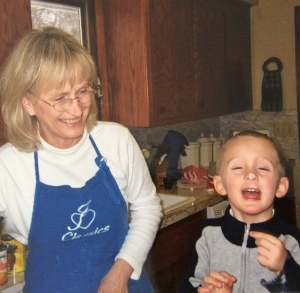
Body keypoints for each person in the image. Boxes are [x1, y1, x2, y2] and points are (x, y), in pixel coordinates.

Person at [0, 26, 162, 292]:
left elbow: (147, 207)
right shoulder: (8, 166)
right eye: (60, 98)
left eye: (83, 91)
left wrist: (120, 273)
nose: (76, 109)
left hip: (125, 284)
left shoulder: (116, 140)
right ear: (27, 103)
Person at [178, 130, 300, 293]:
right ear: (220, 185)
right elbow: (188, 284)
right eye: (238, 167)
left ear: (280, 187)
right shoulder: (208, 234)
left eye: (263, 168)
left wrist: (285, 266)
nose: (250, 174)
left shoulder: (291, 240)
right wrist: (204, 290)